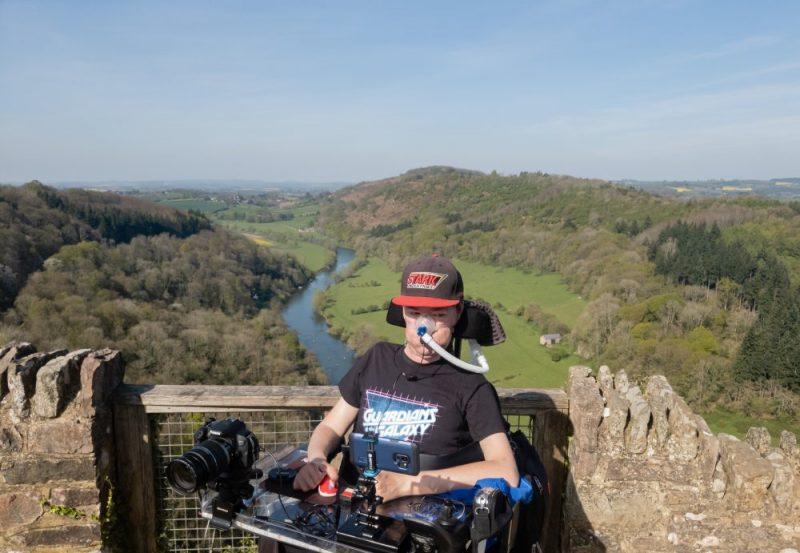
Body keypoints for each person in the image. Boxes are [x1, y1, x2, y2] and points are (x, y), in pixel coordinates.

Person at [293, 255, 519, 502]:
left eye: (438, 314)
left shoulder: (472, 386)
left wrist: (408, 485)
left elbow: (506, 471)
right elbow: (331, 427)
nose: (425, 326)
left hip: (425, 521)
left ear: (457, 312)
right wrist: (316, 460)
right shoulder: (376, 358)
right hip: (356, 505)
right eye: (414, 313)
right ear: (402, 313)